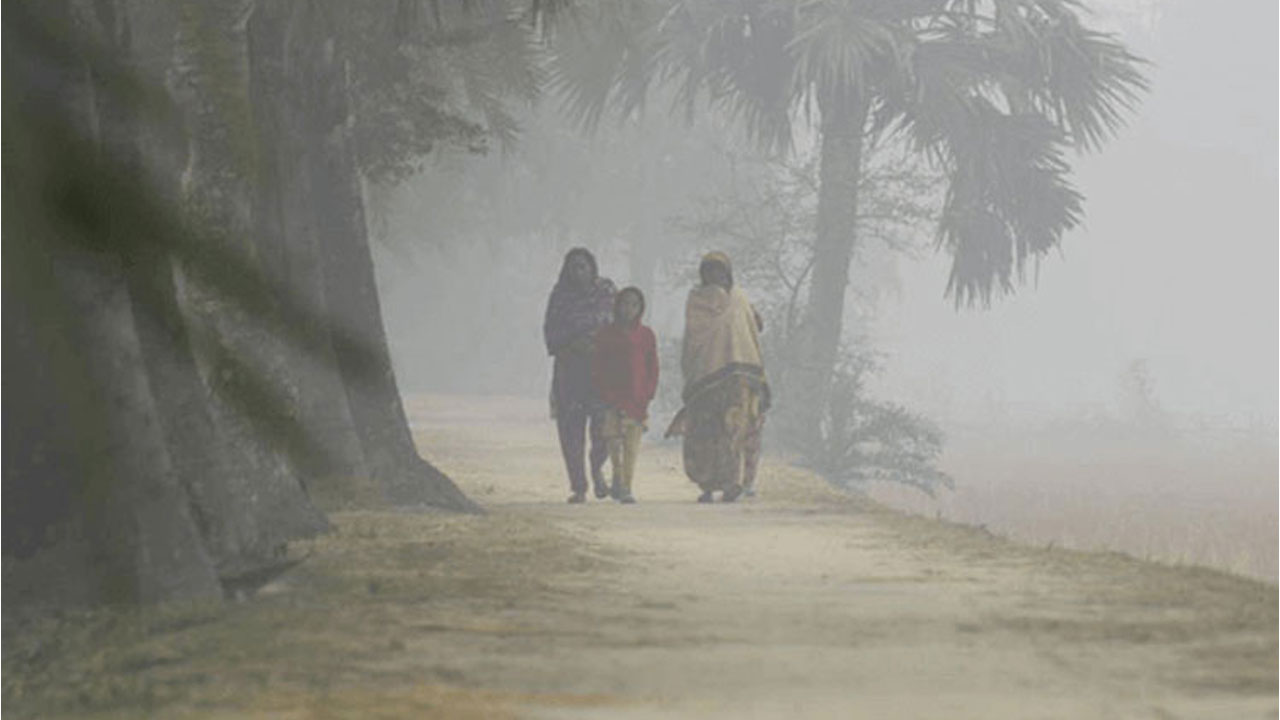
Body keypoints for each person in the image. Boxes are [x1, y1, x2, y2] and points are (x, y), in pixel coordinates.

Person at [669, 252, 769, 503]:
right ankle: (706, 484)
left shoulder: (739, 297)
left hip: (739, 375)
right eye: (710, 271)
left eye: (720, 271)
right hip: (706, 378)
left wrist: (751, 318)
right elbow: (694, 337)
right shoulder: (696, 300)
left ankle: (732, 482)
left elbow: (753, 326)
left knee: (733, 429)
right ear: (703, 275)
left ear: (728, 274)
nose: (715, 276)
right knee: (705, 430)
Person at [544, 248, 616, 503]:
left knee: (603, 430)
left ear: (592, 267)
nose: (579, 272)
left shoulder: (607, 292)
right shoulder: (560, 296)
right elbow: (550, 335)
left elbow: (621, 327)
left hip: (602, 373)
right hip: (570, 374)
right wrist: (573, 344)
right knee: (571, 433)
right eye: (573, 267)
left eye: (583, 266)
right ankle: (579, 486)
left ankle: (597, 469)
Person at [591, 287, 659, 504]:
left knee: (632, 446)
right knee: (613, 442)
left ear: (640, 308)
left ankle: (627, 486)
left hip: (637, 399)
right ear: (617, 306)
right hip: (612, 398)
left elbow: (652, 366)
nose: (628, 309)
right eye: (625, 304)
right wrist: (605, 392)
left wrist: (648, 393)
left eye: (634, 305)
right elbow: (598, 366)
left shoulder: (646, 335)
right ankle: (618, 475)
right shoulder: (605, 335)